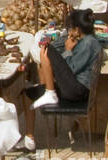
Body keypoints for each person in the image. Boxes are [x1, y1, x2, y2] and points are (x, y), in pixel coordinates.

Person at [23, 8, 102, 139]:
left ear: (77, 30)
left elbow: (71, 68)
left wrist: (67, 51)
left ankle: (50, 92)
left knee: (47, 50)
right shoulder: (84, 41)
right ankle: (29, 137)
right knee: (27, 94)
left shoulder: (89, 43)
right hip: (72, 87)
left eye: (71, 28)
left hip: (78, 90)